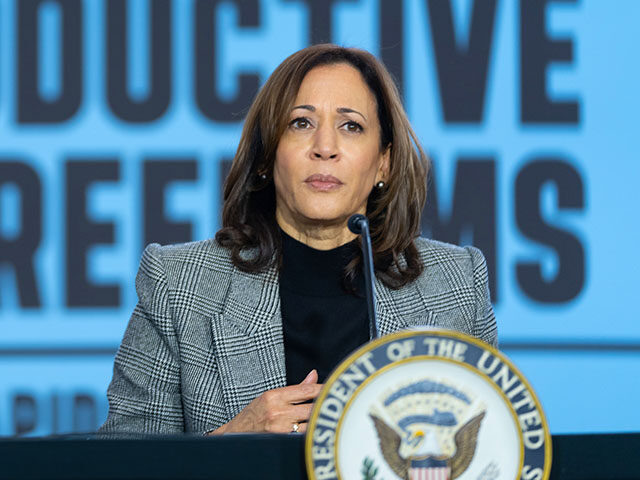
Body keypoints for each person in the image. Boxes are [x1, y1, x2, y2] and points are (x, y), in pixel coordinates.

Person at [99, 44, 497, 436]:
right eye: (301, 123)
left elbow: (494, 452)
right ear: (265, 159)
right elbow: (122, 462)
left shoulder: (456, 284)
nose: (325, 148)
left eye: (351, 126)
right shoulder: (178, 284)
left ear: (384, 163)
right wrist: (229, 445)